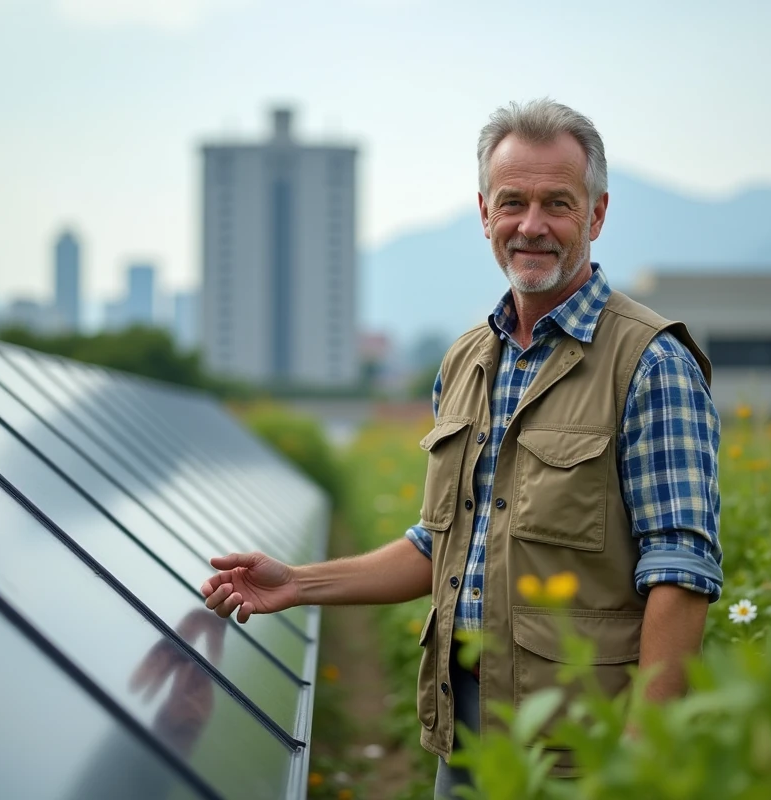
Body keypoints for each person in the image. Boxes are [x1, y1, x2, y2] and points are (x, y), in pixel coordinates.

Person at [201, 98, 723, 798]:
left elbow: (681, 574)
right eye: (512, 203)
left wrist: (641, 756)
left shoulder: (651, 364)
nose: (530, 226)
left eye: (557, 204)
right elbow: (438, 543)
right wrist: (299, 584)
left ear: (596, 216)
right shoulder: (468, 361)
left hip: (585, 749)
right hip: (467, 730)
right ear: (484, 213)